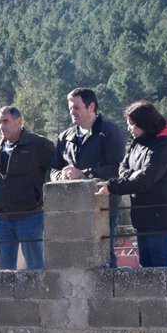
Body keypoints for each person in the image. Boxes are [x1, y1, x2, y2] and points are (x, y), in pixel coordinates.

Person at [96, 100, 167, 268]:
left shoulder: (165, 145)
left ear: (145, 123)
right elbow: (122, 168)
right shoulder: (138, 142)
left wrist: (111, 186)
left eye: (133, 124)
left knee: (160, 262)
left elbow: (146, 180)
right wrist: (134, 174)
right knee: (145, 262)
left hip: (160, 215)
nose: (129, 128)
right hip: (143, 214)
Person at [51, 88, 126, 267]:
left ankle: (109, 285)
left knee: (104, 256)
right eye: (70, 108)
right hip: (71, 206)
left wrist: (85, 174)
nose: (72, 112)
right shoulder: (64, 137)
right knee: (74, 257)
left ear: (91, 107)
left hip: (103, 205)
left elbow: (117, 168)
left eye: (76, 107)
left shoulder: (110, 132)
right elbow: (53, 168)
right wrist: (61, 175)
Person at [0, 106, 55, 270]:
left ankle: (39, 289)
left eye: (5, 121)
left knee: (36, 267)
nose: (1, 126)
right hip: (2, 218)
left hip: (30, 215)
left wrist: (45, 197)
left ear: (19, 121)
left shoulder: (38, 144)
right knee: (5, 270)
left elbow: (56, 168)